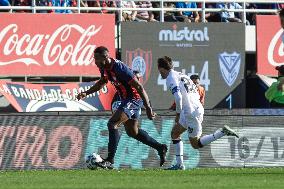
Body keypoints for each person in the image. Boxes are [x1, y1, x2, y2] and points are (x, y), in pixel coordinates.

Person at [77, 46, 167, 169]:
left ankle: (110, 160)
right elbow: (101, 83)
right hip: (126, 99)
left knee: (112, 123)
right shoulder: (104, 68)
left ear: (106, 57)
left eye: (97, 59)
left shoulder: (120, 68)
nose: (95, 62)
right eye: (94, 59)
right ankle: (160, 147)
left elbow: (139, 87)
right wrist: (86, 93)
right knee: (132, 132)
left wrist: (149, 108)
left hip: (134, 99)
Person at [157, 56, 239, 170]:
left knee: (195, 144)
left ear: (161, 68)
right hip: (194, 108)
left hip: (190, 112)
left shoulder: (170, 78)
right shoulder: (182, 74)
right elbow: (194, 92)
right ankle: (179, 164)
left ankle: (222, 132)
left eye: (159, 70)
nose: (159, 73)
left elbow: (178, 98)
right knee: (175, 133)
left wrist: (178, 114)